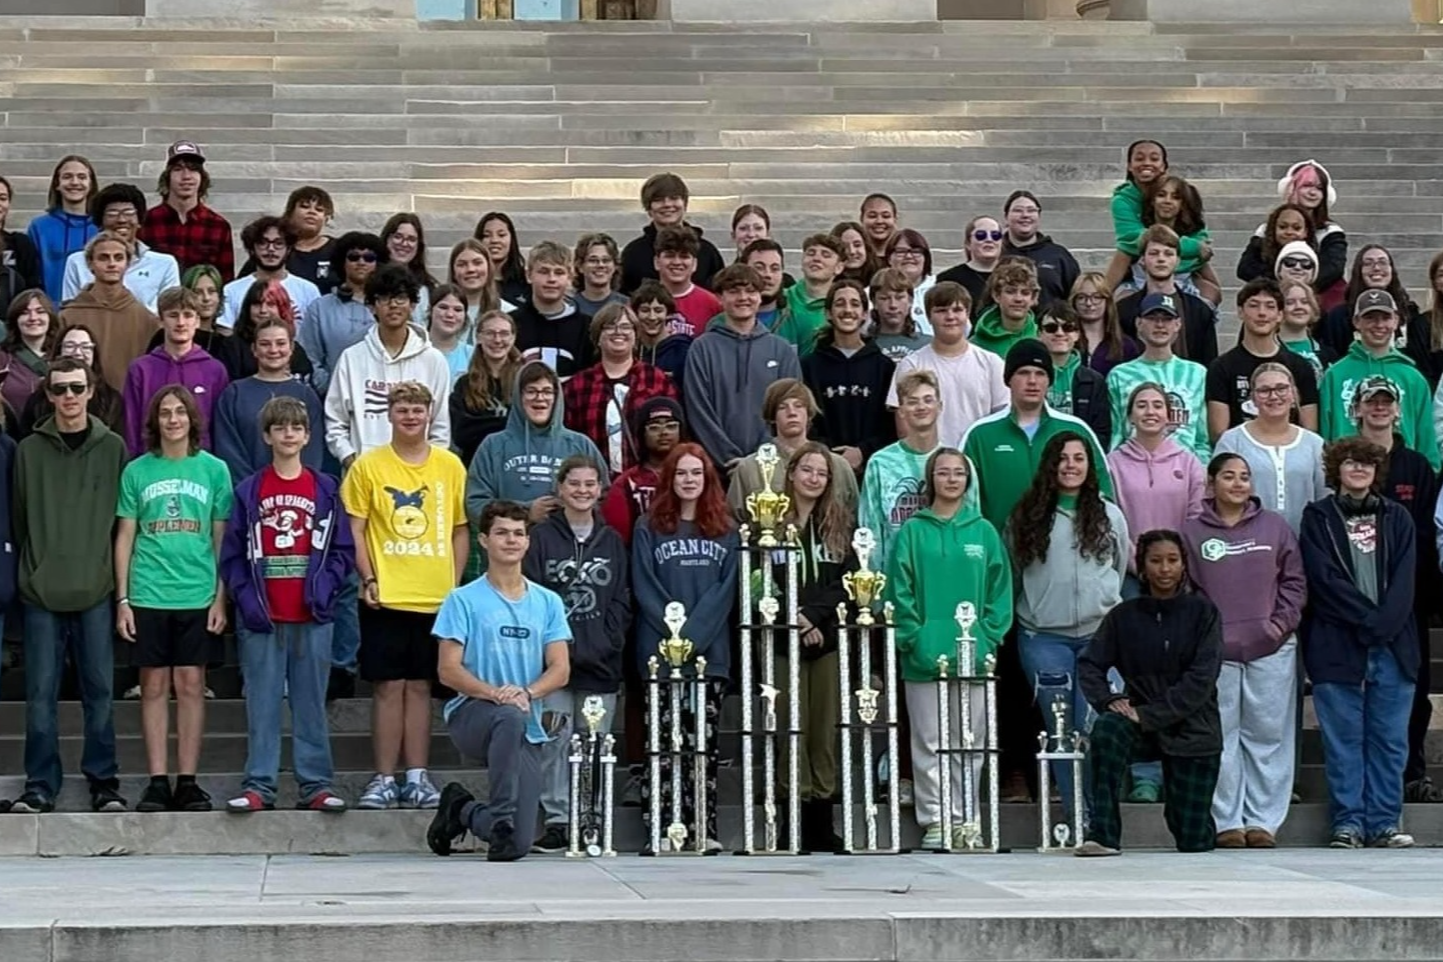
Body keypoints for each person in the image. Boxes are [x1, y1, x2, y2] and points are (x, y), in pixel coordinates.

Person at [219, 394, 354, 813]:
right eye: (280, 428)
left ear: (307, 435)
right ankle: (259, 784)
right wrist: (246, 600)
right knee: (261, 702)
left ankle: (315, 784)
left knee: (311, 702)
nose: (288, 434)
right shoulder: (250, 490)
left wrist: (325, 589)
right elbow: (233, 555)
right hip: (263, 615)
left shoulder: (326, 489)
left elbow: (342, 550)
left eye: (296, 428)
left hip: (311, 615)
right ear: (267, 435)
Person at [342, 381, 469, 811]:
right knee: (387, 687)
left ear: (430, 414)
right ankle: (383, 778)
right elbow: (355, 528)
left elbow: (458, 529)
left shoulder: (450, 466)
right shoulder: (368, 466)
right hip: (387, 594)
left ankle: (417, 777)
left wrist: (454, 586)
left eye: (418, 409)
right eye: (403, 409)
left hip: (434, 597)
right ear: (389, 415)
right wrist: (369, 575)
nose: (411, 416)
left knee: (420, 688)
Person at [10, 358, 128, 815]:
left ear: (92, 390)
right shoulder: (28, 452)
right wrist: (33, 571)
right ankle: (40, 784)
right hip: (41, 592)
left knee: (99, 692)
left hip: (95, 589)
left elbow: (122, 524)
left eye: (77, 388)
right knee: (40, 695)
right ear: (48, 394)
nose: (69, 397)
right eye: (59, 390)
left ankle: (104, 783)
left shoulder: (113, 447)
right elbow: (20, 519)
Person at [427, 500, 571, 862]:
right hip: (474, 715)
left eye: (519, 534)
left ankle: (462, 810)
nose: (511, 540)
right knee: (507, 715)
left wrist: (526, 692)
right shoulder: (461, 600)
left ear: (528, 542)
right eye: (502, 533)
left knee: (518, 847)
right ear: (483, 541)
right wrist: (495, 694)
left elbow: (560, 668)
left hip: (526, 719)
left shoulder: (548, 602)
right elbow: (448, 670)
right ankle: (502, 818)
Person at [886, 447, 1012, 850]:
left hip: (974, 654)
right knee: (929, 739)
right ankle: (936, 819)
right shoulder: (912, 531)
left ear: (968, 480)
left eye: (959, 473)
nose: (952, 479)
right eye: (944, 472)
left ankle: (966, 818)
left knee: (971, 739)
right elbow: (898, 590)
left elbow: (999, 590)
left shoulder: (984, 532)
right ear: (931, 480)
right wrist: (913, 637)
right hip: (924, 656)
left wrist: (989, 636)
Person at [114, 386, 232, 813]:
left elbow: (221, 538)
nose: (173, 419)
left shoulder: (214, 470)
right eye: (165, 413)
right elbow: (125, 536)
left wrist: (221, 598)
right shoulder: (137, 471)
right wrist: (123, 599)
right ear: (155, 422)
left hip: (197, 592)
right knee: (153, 686)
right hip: (148, 591)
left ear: (192, 419)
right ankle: (158, 780)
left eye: (180, 412)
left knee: (191, 685)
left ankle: (188, 780)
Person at [1182, 454, 1306, 848]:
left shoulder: (1274, 527)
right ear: (1211, 483)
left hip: (1270, 649)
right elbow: (1185, 591)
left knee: (1268, 736)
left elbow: (1294, 582)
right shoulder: (1191, 532)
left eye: (1245, 477)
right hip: (1216, 654)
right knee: (1222, 737)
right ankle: (1227, 822)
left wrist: (1278, 625)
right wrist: (1203, 639)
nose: (1238, 484)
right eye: (1229, 477)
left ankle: (1263, 821)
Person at [1076, 530, 1223, 856]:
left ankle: (1196, 823)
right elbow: (1089, 665)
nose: (1165, 569)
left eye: (1172, 560)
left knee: (1193, 840)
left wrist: (1151, 714)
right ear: (1142, 567)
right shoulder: (1123, 616)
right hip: (1137, 724)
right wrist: (1109, 700)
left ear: (1184, 565)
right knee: (1107, 729)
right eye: (1155, 561)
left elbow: (1202, 680)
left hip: (1193, 728)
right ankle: (1103, 834)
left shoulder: (1204, 613)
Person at [1301, 438, 1417, 849]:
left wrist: (1382, 624)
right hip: (1338, 643)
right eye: (1351, 462)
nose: (1359, 470)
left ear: (1376, 471)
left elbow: (1405, 580)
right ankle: (1347, 822)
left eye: (1367, 464)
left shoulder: (1398, 517)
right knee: (1343, 740)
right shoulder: (1317, 518)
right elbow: (1323, 579)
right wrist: (1367, 620)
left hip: (1394, 645)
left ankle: (1385, 822)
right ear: (1336, 469)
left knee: (1389, 739)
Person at [1007, 433, 1128, 819]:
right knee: (1060, 728)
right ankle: (1079, 816)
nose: (1071, 465)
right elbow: (1013, 571)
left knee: (1091, 727)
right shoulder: (1025, 517)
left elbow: (1120, 566)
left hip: (1099, 637)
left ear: (1090, 466)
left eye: (1079, 458)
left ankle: (1100, 814)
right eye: (1063, 458)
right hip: (1043, 638)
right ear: (1050, 465)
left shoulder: (1110, 515)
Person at [631, 443, 739, 850]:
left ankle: (702, 830)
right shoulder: (649, 526)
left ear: (707, 478)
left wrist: (691, 637)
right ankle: (660, 829)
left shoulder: (726, 529)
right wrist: (674, 636)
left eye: (696, 473)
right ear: (670, 479)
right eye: (681, 473)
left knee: (702, 747)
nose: (689, 480)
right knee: (661, 745)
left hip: (709, 657)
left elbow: (725, 591)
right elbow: (644, 584)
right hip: (659, 655)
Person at [522, 455, 631, 854]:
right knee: (554, 741)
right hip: (554, 665)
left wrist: (608, 637)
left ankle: (591, 817)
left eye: (590, 484)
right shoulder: (541, 538)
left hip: (601, 662)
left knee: (595, 744)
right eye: (574, 484)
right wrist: (552, 645)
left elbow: (622, 597)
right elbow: (530, 594)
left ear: (600, 489)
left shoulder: (612, 541)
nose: (582, 491)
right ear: (560, 489)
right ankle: (557, 819)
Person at [1352, 379, 1442, 803]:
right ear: (1357, 408)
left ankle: (1413, 770)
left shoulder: (1417, 467)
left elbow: (1428, 533)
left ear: (1399, 410)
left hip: (1408, 602)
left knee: (1413, 687)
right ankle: (1362, 778)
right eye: (1372, 402)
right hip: (1353, 602)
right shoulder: (1345, 461)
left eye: (1387, 402)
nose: (1380, 409)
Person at [765, 441, 858, 851]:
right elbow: (758, 580)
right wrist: (794, 618)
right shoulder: (771, 523)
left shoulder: (839, 527)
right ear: (792, 473)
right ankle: (792, 818)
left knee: (823, 729)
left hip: (826, 642)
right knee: (790, 726)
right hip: (783, 643)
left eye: (822, 473)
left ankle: (823, 818)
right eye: (807, 470)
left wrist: (814, 618)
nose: (814, 479)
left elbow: (847, 584)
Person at [962, 339, 1112, 539]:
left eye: (1040, 373)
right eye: (1023, 373)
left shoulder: (1076, 430)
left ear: (1049, 381)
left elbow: (1103, 495)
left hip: (1065, 555)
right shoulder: (980, 435)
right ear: (1008, 380)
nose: (1032, 381)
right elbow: (965, 502)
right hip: (1000, 555)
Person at [324, 265, 452, 466]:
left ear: (412, 304)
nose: (393, 305)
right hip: (364, 472)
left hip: (418, 474)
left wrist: (426, 467)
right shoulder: (352, 358)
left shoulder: (433, 360)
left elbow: (440, 426)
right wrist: (350, 459)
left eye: (400, 297)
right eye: (384, 298)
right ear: (372, 306)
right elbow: (335, 421)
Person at [465, 360, 607, 534]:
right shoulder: (493, 445)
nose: (540, 398)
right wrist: (525, 513)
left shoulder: (580, 444)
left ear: (557, 397)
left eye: (547, 391)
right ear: (518, 396)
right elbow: (475, 503)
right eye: (531, 391)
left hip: (567, 552)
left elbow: (604, 498)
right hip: (511, 551)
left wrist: (571, 511)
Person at [683, 264, 801, 470]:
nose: (743, 297)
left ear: (760, 296)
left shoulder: (781, 350)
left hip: (771, 467)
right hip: (716, 468)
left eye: (751, 291)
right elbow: (698, 410)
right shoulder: (702, 348)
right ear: (719, 297)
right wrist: (727, 458)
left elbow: (791, 410)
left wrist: (759, 459)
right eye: (734, 291)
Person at [1319, 290, 1439, 469]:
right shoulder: (1335, 375)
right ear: (1356, 322)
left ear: (1396, 321)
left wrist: (1429, 472)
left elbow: (1425, 436)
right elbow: (1325, 433)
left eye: (1385, 317)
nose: (1379, 324)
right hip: (1351, 472)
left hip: (1402, 474)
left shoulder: (1413, 377)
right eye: (1370, 318)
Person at [886, 282, 1007, 447]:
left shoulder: (991, 363)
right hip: (929, 463)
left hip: (978, 459)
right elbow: (904, 425)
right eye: (941, 311)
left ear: (967, 314)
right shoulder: (911, 365)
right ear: (928, 316)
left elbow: (1001, 418)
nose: (950, 317)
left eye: (957, 310)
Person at [562, 302, 678, 475]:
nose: (618, 332)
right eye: (610, 327)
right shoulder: (578, 385)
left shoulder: (656, 379)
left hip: (648, 481)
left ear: (635, 335)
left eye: (626, 327)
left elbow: (675, 435)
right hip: (592, 485)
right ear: (597, 337)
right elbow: (568, 440)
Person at [1212, 364, 1327, 534]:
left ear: (1293, 393)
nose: (1273, 396)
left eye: (1281, 388)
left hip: (1305, 541)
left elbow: (1324, 497)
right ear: (1253, 398)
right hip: (1248, 541)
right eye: (1264, 390)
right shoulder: (1232, 441)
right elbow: (1220, 496)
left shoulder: (1314, 443)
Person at [213, 314, 326, 483]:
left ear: (291, 347)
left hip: (296, 494)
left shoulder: (306, 395)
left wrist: (294, 483)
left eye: (280, 343)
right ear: (254, 349)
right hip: (246, 493)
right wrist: (252, 488)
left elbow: (314, 448)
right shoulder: (234, 394)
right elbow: (228, 448)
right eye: (265, 344)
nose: (273, 350)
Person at [1205, 279, 1320, 441]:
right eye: (1253, 305)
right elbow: (1219, 433)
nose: (1262, 313)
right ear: (1240, 312)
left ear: (1280, 315)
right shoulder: (1222, 367)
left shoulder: (1300, 366)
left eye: (1270, 306)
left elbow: (1310, 430)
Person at [121, 286, 229, 457]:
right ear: (161, 321)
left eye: (187, 315)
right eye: (173, 315)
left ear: (197, 321)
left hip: (200, 464)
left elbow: (220, 429)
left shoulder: (215, 370)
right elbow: (130, 425)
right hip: (151, 462)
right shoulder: (140, 369)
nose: (180, 323)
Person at [802, 278, 896, 473]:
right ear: (828, 313)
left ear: (864, 314)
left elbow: (891, 426)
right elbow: (807, 422)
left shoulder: (884, 367)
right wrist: (830, 453)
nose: (847, 310)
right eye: (839, 303)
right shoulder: (809, 366)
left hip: (872, 468)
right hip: (823, 468)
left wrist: (862, 451)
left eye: (855, 304)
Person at [726, 378, 858, 515]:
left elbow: (854, 516)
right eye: (782, 407)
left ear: (809, 413)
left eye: (799, 406)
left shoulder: (838, 466)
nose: (792, 413)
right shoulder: (750, 468)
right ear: (772, 416)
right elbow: (733, 522)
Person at [1106, 292, 1210, 459]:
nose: (1160, 324)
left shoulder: (1197, 373)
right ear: (1139, 323)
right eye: (1152, 318)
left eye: (1167, 319)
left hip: (1184, 470)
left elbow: (1201, 438)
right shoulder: (1119, 375)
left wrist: (1201, 471)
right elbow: (1117, 434)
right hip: (1134, 465)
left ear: (1178, 324)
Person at [860, 370, 946, 572]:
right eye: (912, 401)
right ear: (901, 410)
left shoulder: (957, 465)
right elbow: (871, 529)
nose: (921, 407)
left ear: (939, 406)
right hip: (893, 580)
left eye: (928, 400)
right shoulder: (880, 463)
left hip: (943, 575)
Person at [58, 231, 158, 392]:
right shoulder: (68, 316)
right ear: (90, 263)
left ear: (127, 264)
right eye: (103, 257)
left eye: (118, 258)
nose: (112, 264)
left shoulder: (147, 319)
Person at [62, 183, 181, 312]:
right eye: (112, 213)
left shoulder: (164, 264)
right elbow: (70, 312)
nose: (122, 219)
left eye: (129, 213)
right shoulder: (77, 262)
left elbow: (171, 314)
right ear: (100, 222)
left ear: (139, 220)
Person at [1115, 225, 1218, 367]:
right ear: (1142, 260)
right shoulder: (1124, 309)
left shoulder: (1200, 310)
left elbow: (1209, 360)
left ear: (1178, 261)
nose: (1161, 259)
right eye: (1154, 253)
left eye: (1168, 253)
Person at [298, 231, 385, 397]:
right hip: (333, 398)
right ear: (342, 262)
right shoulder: (320, 308)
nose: (361, 262)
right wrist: (330, 387)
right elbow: (309, 357)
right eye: (353, 256)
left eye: (369, 257)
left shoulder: (388, 306)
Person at [139, 140, 234, 281]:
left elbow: (225, 280)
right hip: (158, 301)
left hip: (201, 301)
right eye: (178, 169)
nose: (186, 176)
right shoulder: (146, 222)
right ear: (167, 177)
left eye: (193, 169)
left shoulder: (218, 226)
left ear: (202, 177)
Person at [601, 395, 686, 548]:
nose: (664, 432)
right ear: (641, 435)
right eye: (654, 427)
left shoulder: (697, 477)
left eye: (671, 426)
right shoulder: (626, 483)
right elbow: (617, 541)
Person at [619, 173, 725, 294]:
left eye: (674, 198)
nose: (667, 204)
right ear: (648, 208)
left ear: (684, 204)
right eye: (658, 200)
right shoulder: (633, 253)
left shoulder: (707, 251)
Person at [20, 323, 124, 438]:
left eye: (85, 347)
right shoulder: (38, 400)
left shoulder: (111, 399)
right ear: (59, 351)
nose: (78, 353)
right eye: (70, 346)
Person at [510, 240, 595, 380]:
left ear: (570, 278)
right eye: (544, 271)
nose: (551, 279)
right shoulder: (511, 324)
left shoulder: (587, 328)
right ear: (528, 275)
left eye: (559, 272)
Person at [218, 216, 320, 331]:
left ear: (289, 249)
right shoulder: (232, 290)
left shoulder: (308, 290)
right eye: (263, 243)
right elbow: (225, 331)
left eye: (279, 243)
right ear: (252, 248)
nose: (271, 249)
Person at [449, 310, 521, 472]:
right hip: (477, 467)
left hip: (517, 467)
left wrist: (483, 424)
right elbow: (462, 433)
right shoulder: (464, 385)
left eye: (504, 333)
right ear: (479, 337)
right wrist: (509, 423)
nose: (497, 340)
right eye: (490, 333)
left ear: (513, 337)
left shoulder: (524, 382)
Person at [26, 155, 98, 302]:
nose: (75, 182)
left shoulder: (101, 227)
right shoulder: (40, 227)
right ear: (57, 184)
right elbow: (32, 276)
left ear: (91, 184)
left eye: (82, 177)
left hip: (94, 311)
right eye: (67, 177)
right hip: (52, 313)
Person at [1038, 301, 1110, 443]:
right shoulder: (1028, 376)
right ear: (1039, 333)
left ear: (1077, 334)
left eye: (1068, 328)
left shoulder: (1094, 381)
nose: (1060, 333)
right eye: (1051, 328)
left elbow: (1101, 433)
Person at [999, 190, 1079, 309]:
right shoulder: (996, 254)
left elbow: (1075, 297)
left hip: (1050, 326)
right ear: (1006, 217)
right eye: (1018, 210)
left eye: (1031, 210)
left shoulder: (1058, 255)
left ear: (1039, 216)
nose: (1025, 215)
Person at [776, 234, 846, 353]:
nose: (817, 258)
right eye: (811, 253)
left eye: (826, 255)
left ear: (839, 267)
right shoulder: (781, 299)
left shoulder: (843, 306)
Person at [0, 289, 57, 419]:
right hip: (13, 435)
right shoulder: (3, 358)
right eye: (25, 313)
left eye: (40, 311)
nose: (33, 318)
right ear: (15, 319)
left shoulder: (64, 354)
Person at [1071, 273, 1139, 378]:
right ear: (1074, 302)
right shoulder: (1065, 340)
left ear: (1107, 301)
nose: (1089, 303)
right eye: (1081, 297)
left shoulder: (1126, 346)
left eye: (1096, 297)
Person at [968, 258, 1039, 359]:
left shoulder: (1043, 337)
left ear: (1033, 298)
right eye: (1010, 291)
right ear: (996, 296)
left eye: (1025, 293)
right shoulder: (976, 345)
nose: (1018, 299)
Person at [270, 186, 336, 292]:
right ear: (289, 213)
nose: (312, 212)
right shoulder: (274, 248)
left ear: (326, 218)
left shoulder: (339, 250)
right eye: (305, 207)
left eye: (319, 210)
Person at [936, 214, 1004, 312]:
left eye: (995, 235)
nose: (989, 239)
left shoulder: (1015, 276)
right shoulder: (948, 279)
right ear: (968, 243)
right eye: (981, 235)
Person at [630, 281, 691, 386]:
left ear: (668, 314)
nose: (652, 317)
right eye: (645, 310)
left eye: (658, 311)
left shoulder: (683, 350)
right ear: (636, 313)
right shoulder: (629, 349)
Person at [381, 213, 437, 324]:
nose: (404, 244)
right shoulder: (370, 281)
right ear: (386, 239)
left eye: (411, 239)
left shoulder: (428, 289)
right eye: (398, 237)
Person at [1278, 278, 1336, 384]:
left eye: (1305, 302)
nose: (1298, 307)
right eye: (1290, 302)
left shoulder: (1328, 354)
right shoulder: (1271, 353)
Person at [882, 229, 937, 337]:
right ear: (889, 258)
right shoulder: (874, 291)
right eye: (900, 251)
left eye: (916, 251)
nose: (908, 256)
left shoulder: (939, 288)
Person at [869, 267, 930, 363]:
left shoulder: (928, 345)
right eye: (884, 298)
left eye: (899, 298)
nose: (893, 305)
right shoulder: (863, 345)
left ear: (910, 301)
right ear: (874, 302)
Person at [474, 211, 528, 305]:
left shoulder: (526, 280)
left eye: (501, 235)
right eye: (487, 236)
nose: (494, 240)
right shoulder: (471, 280)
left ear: (512, 239)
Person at [425, 283, 474, 381]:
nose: (450, 314)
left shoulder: (472, 355)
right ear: (430, 311)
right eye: (443, 307)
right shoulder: (414, 350)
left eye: (458, 310)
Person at [573, 232, 627, 318]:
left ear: (615, 266)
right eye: (593, 260)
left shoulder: (627, 305)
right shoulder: (570, 308)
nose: (600, 265)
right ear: (580, 266)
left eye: (606, 260)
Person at [860, 193, 898, 261]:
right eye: (872, 216)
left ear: (895, 220)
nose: (879, 221)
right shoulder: (853, 257)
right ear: (861, 219)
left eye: (886, 216)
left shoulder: (904, 257)